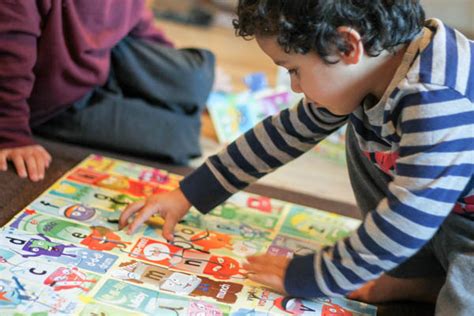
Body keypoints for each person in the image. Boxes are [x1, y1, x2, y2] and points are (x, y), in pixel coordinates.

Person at [119, 1, 474, 314]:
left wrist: (309, 276)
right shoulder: (378, 65)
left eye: (293, 70)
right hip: (449, 213)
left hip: (454, 227)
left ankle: (436, 278)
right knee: (364, 131)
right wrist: (187, 194)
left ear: (347, 46)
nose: (294, 87)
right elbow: (285, 133)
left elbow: (404, 221)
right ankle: (419, 276)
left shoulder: (435, 99)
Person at [0, 0, 215, 182]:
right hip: (54, 100)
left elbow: (138, 20)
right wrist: (12, 132)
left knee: (195, 78)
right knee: (177, 139)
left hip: (106, 58)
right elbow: (9, 56)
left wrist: (169, 76)